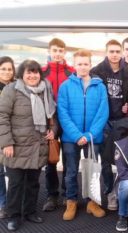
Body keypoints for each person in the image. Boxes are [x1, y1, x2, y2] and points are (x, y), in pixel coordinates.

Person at [0, 60, 57, 231]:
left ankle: (30, 211)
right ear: (21, 75)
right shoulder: (12, 90)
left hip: (38, 145)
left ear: (40, 73)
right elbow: (2, 116)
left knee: (33, 182)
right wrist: (7, 143)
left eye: (35, 72)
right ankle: (14, 216)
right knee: (16, 183)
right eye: (28, 73)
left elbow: (53, 115)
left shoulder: (46, 89)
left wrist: (54, 130)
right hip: (16, 146)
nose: (32, 76)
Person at [58, 49, 109, 221]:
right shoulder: (65, 86)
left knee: (92, 170)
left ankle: (92, 202)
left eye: (85, 63)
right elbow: (63, 113)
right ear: (74, 65)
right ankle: (71, 201)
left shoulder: (100, 86)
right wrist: (76, 135)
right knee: (71, 171)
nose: (82, 67)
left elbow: (103, 113)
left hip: (93, 137)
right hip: (70, 138)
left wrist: (88, 135)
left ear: (90, 64)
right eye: (79, 64)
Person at [91, 39, 128, 211]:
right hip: (104, 122)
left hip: (122, 122)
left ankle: (122, 193)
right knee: (105, 161)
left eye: (118, 51)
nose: (115, 54)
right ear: (106, 52)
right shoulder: (96, 72)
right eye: (112, 51)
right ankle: (109, 192)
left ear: (122, 53)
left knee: (123, 161)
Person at [42, 38, 75, 212]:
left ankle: (67, 194)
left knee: (69, 159)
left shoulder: (72, 72)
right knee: (51, 160)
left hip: (68, 119)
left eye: (61, 50)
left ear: (64, 52)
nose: (57, 54)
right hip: (50, 120)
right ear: (49, 50)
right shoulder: (42, 72)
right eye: (54, 50)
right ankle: (51, 195)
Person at [0, 56, 16, 219]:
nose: (6, 72)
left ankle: (13, 202)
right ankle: (3, 204)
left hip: (13, 136)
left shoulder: (17, 87)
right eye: (3, 68)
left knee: (13, 173)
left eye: (9, 69)